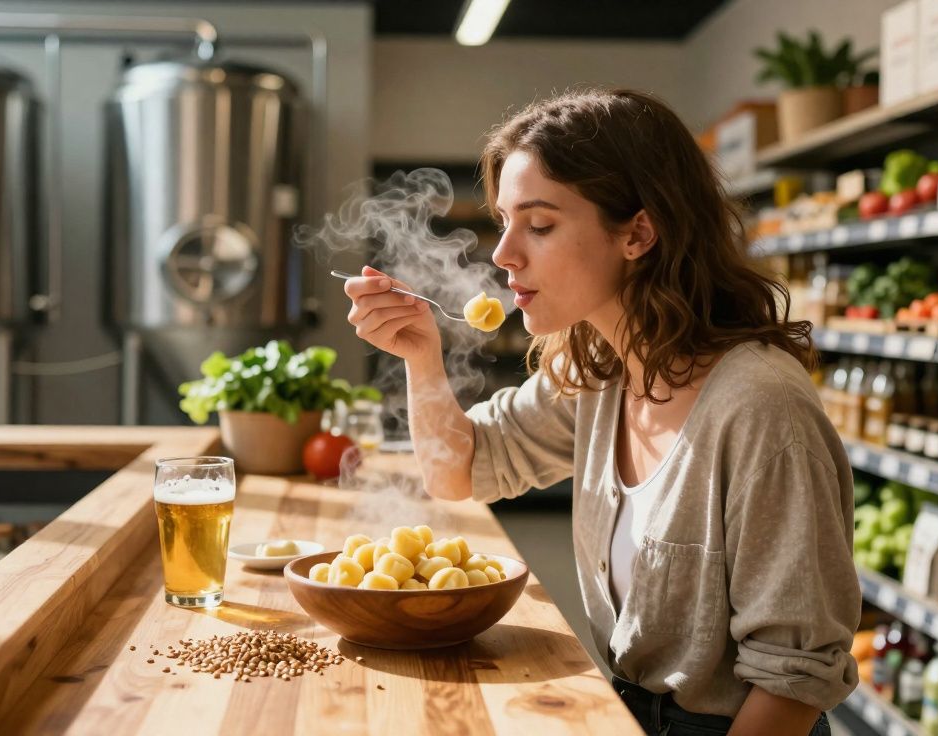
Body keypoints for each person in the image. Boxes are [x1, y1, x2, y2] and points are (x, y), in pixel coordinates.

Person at [342, 89, 858, 736]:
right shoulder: (599, 373)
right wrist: (421, 355)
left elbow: (792, 682)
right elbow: (461, 472)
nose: (503, 255)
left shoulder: (761, 409)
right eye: (503, 221)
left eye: (539, 225)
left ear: (638, 232)